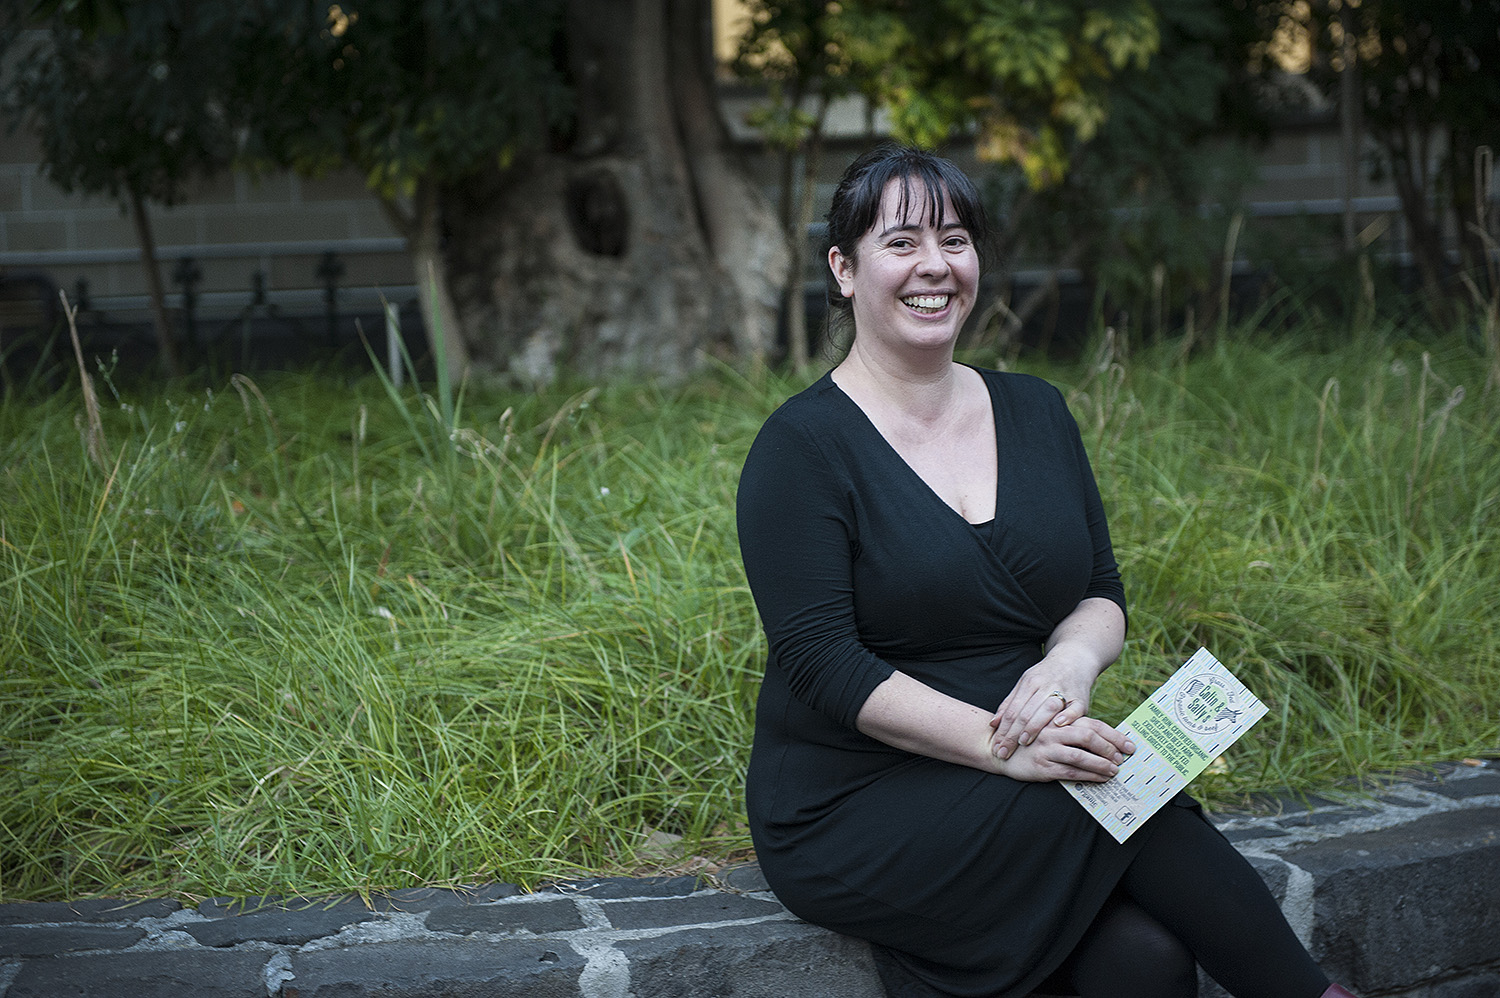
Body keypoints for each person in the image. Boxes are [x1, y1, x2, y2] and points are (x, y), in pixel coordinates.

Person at [735, 143, 1359, 998]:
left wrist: (1067, 665)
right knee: (1118, 787)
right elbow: (822, 664)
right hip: (858, 797)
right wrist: (1006, 750)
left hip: (1028, 767)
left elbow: (1099, 591)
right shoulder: (801, 448)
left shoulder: (1036, 409)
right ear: (844, 270)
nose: (935, 266)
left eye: (955, 241)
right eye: (903, 242)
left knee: (1147, 964)